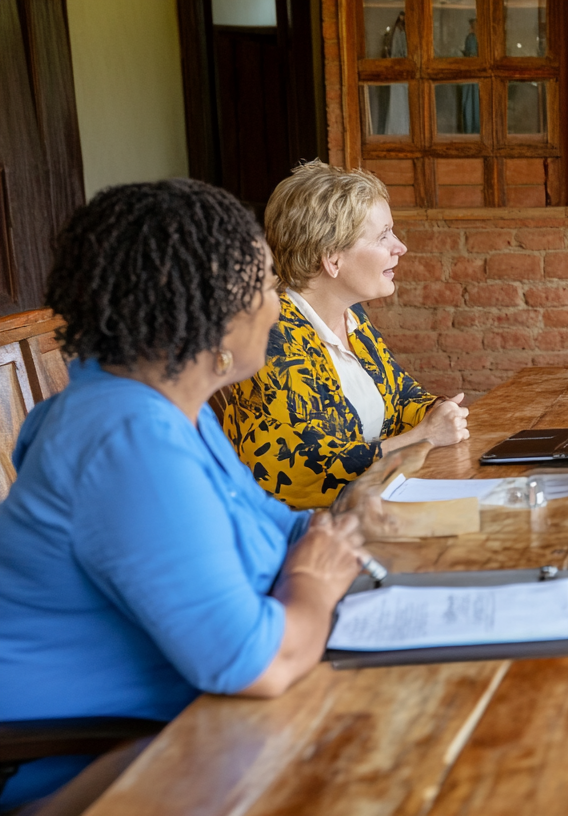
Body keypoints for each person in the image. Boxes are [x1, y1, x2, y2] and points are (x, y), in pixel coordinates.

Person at [0, 180, 369, 810]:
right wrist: (313, 581)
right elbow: (260, 664)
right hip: (119, 767)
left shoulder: (170, 410)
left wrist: (339, 523)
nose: (276, 308)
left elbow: (281, 530)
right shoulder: (128, 436)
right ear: (208, 309)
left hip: (213, 729)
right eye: (264, 287)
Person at [223, 161, 469, 510]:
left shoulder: (350, 313)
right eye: (383, 236)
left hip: (370, 506)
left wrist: (439, 409)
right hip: (308, 534)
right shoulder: (272, 336)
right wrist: (423, 437)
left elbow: (400, 395)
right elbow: (311, 469)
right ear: (332, 259)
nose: (400, 247)